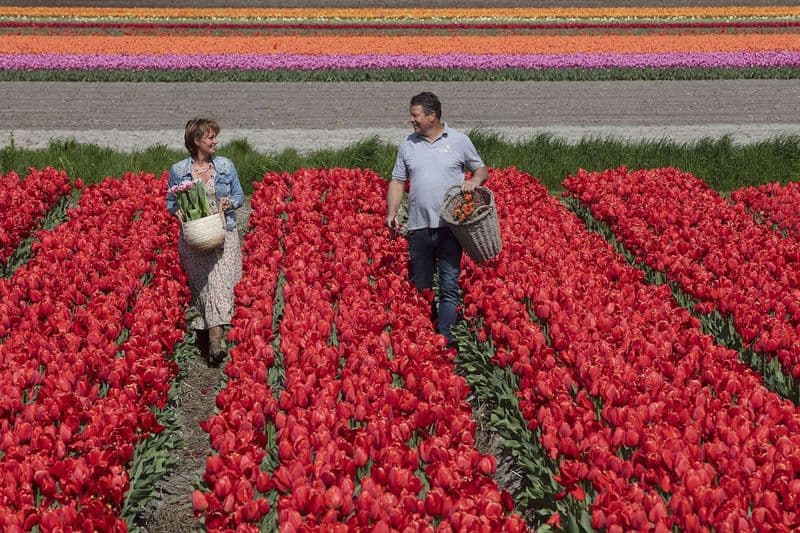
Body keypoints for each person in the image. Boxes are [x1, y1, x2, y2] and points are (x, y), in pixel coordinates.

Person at [386, 92, 489, 348]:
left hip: (449, 227)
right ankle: (424, 336)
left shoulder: (458, 141)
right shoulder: (408, 145)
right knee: (421, 286)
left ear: (432, 116)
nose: (411, 120)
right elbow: (398, 180)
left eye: (415, 115)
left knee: (449, 285)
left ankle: (446, 340)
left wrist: (474, 182)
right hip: (418, 226)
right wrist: (392, 212)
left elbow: (480, 168)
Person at [166, 118, 244, 367]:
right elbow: (170, 203)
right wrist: (177, 212)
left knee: (221, 285)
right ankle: (206, 335)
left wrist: (228, 203)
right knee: (204, 288)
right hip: (196, 237)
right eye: (210, 137)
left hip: (223, 233)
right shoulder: (178, 171)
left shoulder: (225, 166)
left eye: (215, 137)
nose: (215, 141)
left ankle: (215, 342)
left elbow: (239, 195)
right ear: (196, 141)